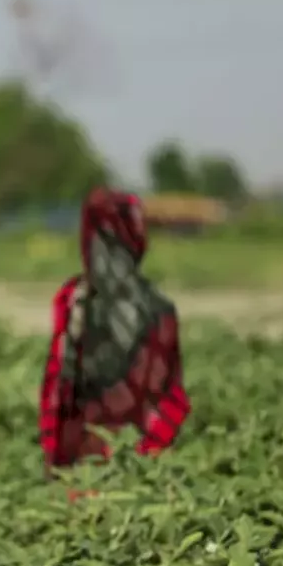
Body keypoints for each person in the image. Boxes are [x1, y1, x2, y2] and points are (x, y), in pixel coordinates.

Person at [39, 188, 192, 477]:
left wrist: (55, 458)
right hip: (137, 466)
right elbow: (170, 397)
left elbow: (59, 392)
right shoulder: (157, 308)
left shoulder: (76, 301)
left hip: (97, 469)